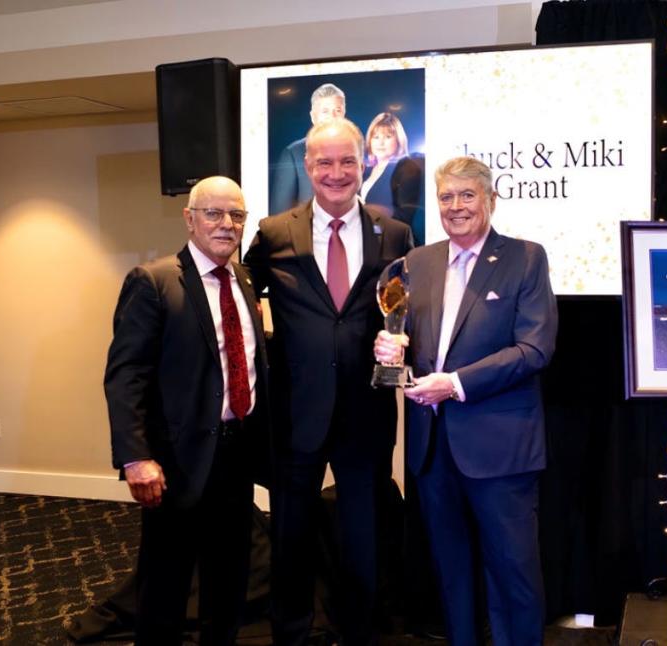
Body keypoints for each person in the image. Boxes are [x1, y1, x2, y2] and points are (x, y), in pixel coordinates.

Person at [374, 156, 558, 646]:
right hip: (432, 449)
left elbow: (535, 349)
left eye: (466, 195)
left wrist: (454, 383)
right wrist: (391, 347)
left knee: (513, 574)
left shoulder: (525, 257)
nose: (455, 207)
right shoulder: (417, 263)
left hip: (501, 449)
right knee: (451, 574)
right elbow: (406, 335)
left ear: (489, 200)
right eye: (446, 197)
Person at [245, 117, 414, 646]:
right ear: (308, 166)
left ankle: (359, 631)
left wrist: (403, 348)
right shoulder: (274, 233)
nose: (336, 173)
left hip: (366, 412)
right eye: (324, 162)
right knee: (291, 534)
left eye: (347, 161)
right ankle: (291, 633)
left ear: (364, 163)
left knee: (362, 535)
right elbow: (245, 303)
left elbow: (408, 313)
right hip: (296, 412)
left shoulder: (396, 232)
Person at [104, 176, 269, 645]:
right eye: (214, 213)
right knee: (166, 583)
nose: (227, 224)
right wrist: (136, 457)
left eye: (236, 215)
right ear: (190, 219)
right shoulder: (153, 281)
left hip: (236, 453)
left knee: (229, 577)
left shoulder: (244, 280)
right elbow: (125, 376)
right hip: (176, 460)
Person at [269, 83, 346, 215]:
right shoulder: (293, 154)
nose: (332, 117)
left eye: (337, 110)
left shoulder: (356, 152)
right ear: (313, 116)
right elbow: (279, 215)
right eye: (325, 111)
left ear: (344, 113)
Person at [360, 112, 425, 246]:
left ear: (398, 140)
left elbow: (404, 217)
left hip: (393, 245)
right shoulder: (367, 170)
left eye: (388, 137)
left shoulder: (407, 168)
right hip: (368, 243)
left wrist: (367, 211)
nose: (380, 142)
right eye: (376, 137)